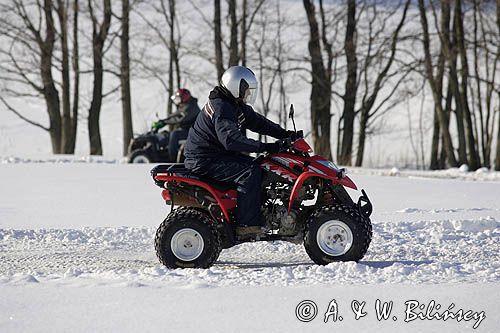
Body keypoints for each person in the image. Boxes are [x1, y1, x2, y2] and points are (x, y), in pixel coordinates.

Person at [184, 66, 294, 236]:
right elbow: (231, 140)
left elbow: (259, 122)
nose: (248, 95)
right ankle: (247, 225)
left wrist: (285, 134)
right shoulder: (222, 107)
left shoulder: (233, 104)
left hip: (214, 155)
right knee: (250, 171)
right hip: (204, 159)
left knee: (260, 165)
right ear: (236, 86)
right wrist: (265, 147)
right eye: (246, 90)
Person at [164, 88, 200, 161]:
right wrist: (164, 120)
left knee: (175, 134)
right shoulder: (185, 105)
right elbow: (175, 114)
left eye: (178, 98)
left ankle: (171, 158)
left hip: (193, 132)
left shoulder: (191, 107)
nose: (177, 101)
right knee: (166, 134)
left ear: (184, 98)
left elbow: (180, 118)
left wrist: (165, 122)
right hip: (188, 130)